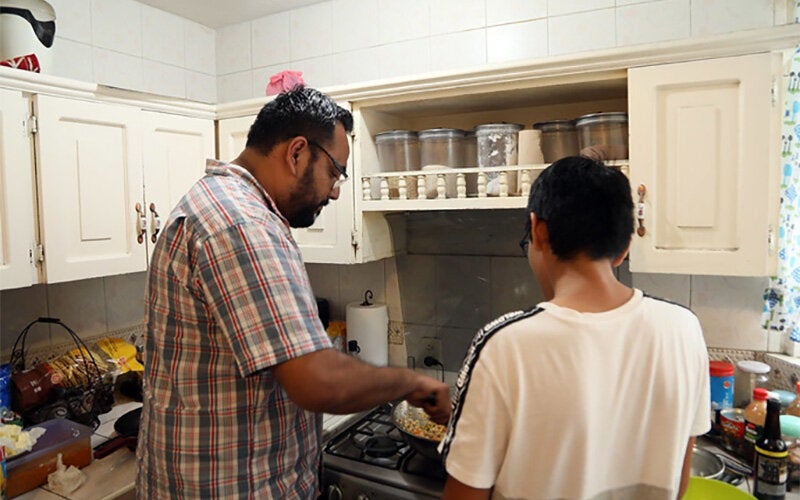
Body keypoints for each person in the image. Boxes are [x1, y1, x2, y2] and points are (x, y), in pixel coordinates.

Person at [135, 86, 450, 499]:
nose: (336, 191)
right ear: (297, 152)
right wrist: (414, 383)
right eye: (335, 172)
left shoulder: (217, 203)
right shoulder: (243, 224)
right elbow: (318, 383)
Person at [440, 156, 710, 499]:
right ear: (625, 247)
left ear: (538, 230)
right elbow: (679, 480)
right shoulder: (684, 329)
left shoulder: (504, 344)